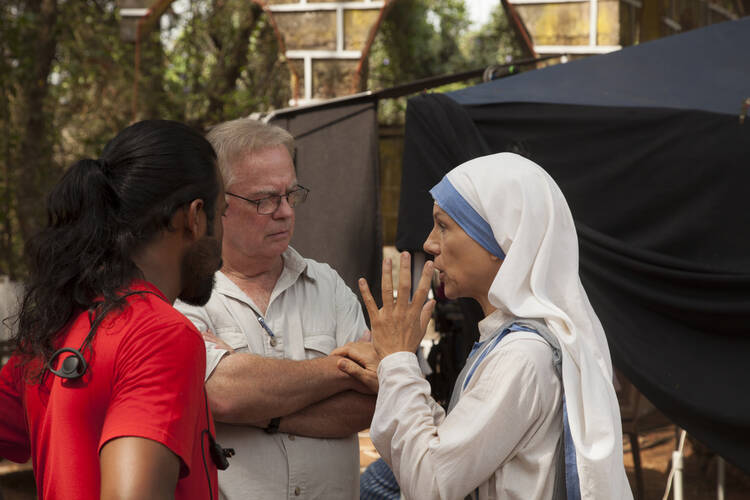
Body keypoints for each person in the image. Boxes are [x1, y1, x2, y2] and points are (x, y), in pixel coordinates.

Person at [335, 153, 633, 499]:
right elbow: (454, 451)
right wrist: (395, 377)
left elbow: (431, 484)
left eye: (443, 225)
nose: (430, 243)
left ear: (500, 241)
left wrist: (399, 362)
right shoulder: (511, 342)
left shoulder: (522, 356)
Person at [0, 120, 229, 499]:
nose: (223, 234)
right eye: (222, 213)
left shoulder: (57, 321)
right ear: (193, 217)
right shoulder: (161, 335)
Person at [175, 117, 375, 500]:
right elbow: (222, 393)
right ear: (219, 205)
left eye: (291, 194)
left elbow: (370, 402)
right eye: (265, 199)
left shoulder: (327, 285)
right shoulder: (186, 294)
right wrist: (341, 369)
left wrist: (264, 410)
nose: (285, 211)